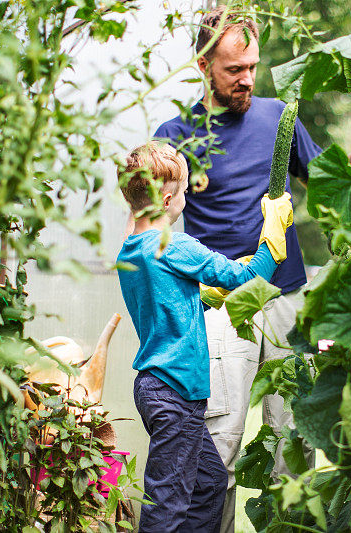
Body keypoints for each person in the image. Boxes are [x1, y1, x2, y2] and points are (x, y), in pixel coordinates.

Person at [153, 6, 351, 531]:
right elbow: (153, 230)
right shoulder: (176, 133)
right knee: (218, 451)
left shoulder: (279, 118)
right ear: (204, 66)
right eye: (233, 70)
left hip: (288, 299)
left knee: (294, 451)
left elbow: (324, 178)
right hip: (220, 306)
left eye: (251, 65)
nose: (247, 78)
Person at [116, 141, 293, 533]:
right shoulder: (175, 245)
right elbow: (247, 277)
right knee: (168, 506)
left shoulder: (132, 248)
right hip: (176, 392)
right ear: (166, 200)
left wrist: (204, 294)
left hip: (158, 388)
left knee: (209, 482)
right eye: (182, 193)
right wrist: (274, 233)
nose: (185, 199)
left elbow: (165, 298)